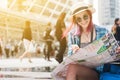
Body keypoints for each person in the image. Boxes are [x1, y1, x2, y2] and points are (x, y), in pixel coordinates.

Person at [61, 2, 120, 80]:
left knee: (72, 70)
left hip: (97, 71)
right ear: (75, 20)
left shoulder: (103, 31)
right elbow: (68, 58)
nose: (83, 21)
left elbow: (113, 54)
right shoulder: (73, 35)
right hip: (80, 70)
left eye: (85, 17)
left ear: (90, 15)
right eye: (79, 19)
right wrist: (74, 54)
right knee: (72, 68)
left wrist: (117, 51)